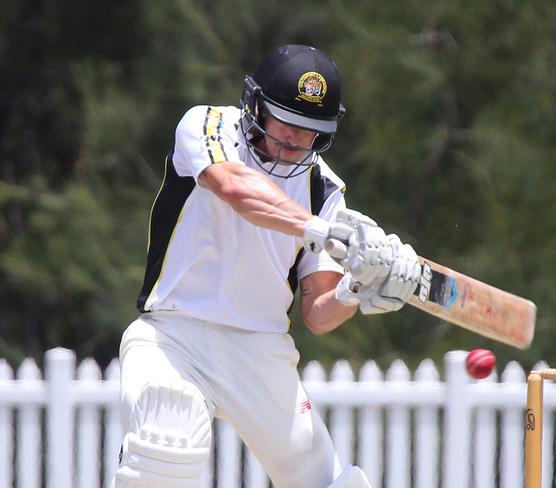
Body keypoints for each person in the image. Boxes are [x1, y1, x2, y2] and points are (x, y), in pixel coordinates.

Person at [113, 44, 421, 488]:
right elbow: (237, 190)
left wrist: (356, 288)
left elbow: (317, 314)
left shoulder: (324, 189)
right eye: (288, 124)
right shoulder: (209, 125)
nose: (297, 140)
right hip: (174, 336)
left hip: (261, 350)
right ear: (256, 106)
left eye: (311, 130)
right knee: (166, 445)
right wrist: (321, 230)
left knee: (331, 484)